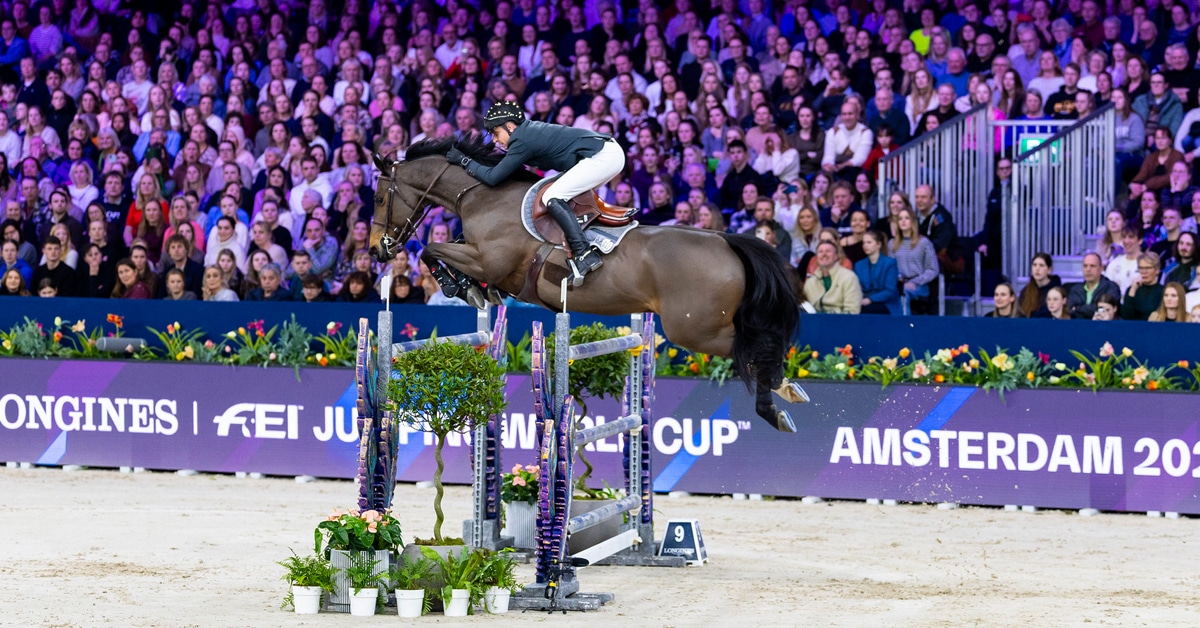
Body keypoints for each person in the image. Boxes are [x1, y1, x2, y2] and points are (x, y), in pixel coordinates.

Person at [447, 100, 621, 285]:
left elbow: (492, 177)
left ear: (511, 126)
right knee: (554, 193)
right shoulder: (525, 134)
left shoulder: (522, 140)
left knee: (551, 197)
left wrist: (464, 161)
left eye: (496, 133)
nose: (495, 140)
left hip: (602, 156)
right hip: (601, 154)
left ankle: (585, 253)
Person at [890, 208, 940, 313]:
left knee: (904, 292)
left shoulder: (924, 243)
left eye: (907, 218)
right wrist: (898, 278)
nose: (903, 221)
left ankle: (905, 325)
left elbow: (933, 269)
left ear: (913, 221)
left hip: (919, 284)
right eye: (900, 219)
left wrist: (915, 282)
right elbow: (890, 267)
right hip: (898, 283)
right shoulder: (892, 244)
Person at [803, 240, 862, 313]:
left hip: (841, 321)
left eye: (828, 251)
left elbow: (852, 310)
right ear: (816, 257)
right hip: (815, 322)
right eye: (820, 252)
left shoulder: (849, 277)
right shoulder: (810, 282)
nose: (824, 254)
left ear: (836, 256)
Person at [853, 230, 900, 314]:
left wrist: (870, 299)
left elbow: (889, 291)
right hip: (863, 301)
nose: (865, 245)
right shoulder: (858, 265)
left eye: (869, 242)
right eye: (863, 243)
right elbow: (857, 287)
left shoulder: (890, 263)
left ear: (879, 244)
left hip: (885, 303)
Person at [1067, 252, 1122, 319]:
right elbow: (1070, 311)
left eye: (1092, 266)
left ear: (1101, 268)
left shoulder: (1111, 288)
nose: (1088, 269)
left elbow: (1104, 310)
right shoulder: (1075, 290)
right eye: (1085, 266)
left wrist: (1078, 308)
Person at [1120, 252, 1164, 321]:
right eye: (1141, 268)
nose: (1144, 272)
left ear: (1157, 270)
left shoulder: (1163, 291)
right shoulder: (1131, 289)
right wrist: (1133, 289)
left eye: (1148, 268)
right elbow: (1126, 316)